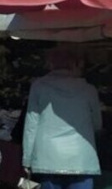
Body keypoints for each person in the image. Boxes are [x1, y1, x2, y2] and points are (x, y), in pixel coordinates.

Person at [22, 48, 102, 189]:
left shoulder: (39, 87)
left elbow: (31, 125)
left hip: (47, 157)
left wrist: (27, 159)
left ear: (50, 64)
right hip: (82, 158)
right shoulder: (89, 90)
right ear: (73, 64)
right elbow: (97, 123)